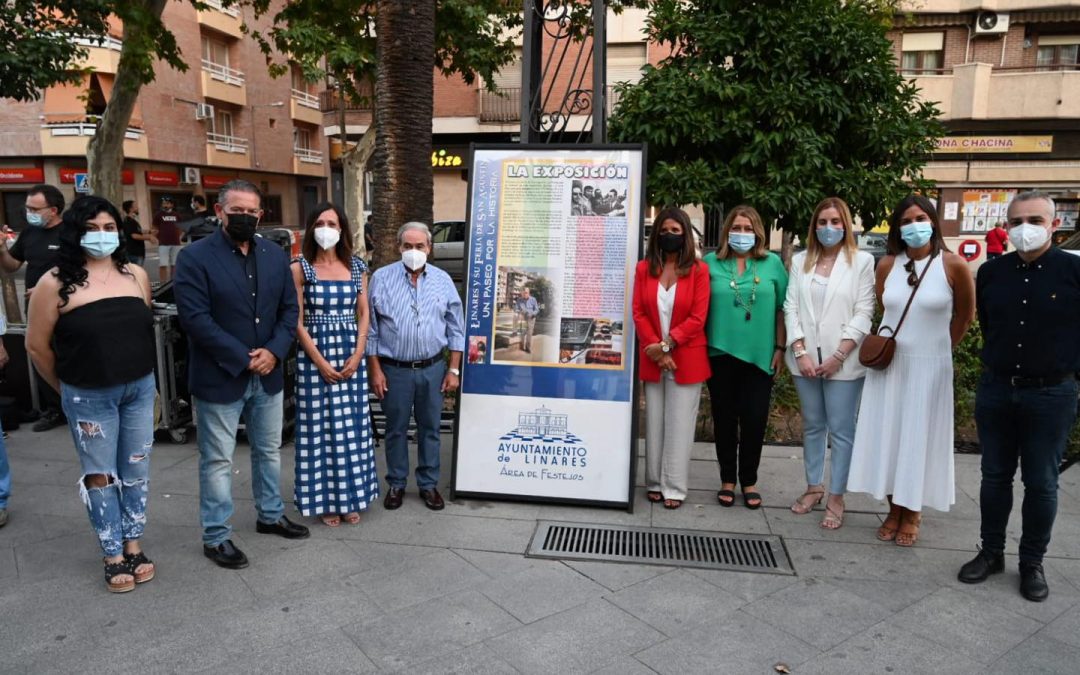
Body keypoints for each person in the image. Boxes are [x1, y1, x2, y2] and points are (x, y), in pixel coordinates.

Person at [25, 195, 157, 592]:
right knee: (101, 476)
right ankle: (113, 554)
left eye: (109, 228)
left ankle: (134, 546)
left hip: (139, 389)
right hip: (88, 396)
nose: (102, 236)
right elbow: (36, 346)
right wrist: (65, 389)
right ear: (75, 232)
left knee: (136, 470)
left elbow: (141, 326)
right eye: (92, 228)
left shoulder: (136, 274)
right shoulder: (53, 284)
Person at [173, 179, 307, 570]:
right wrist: (244, 357)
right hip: (221, 376)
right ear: (219, 211)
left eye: (252, 212)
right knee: (216, 460)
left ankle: (270, 515)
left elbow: (288, 311)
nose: (245, 217)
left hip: (268, 373)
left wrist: (274, 351)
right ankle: (216, 536)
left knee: (268, 451)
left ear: (261, 214)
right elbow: (195, 319)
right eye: (237, 211)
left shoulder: (274, 254)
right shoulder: (195, 257)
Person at [958, 191, 1080, 602]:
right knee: (994, 476)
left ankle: (1032, 562)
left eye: (1034, 220)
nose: (1024, 228)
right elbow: (989, 325)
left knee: (1042, 482)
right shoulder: (992, 273)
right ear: (1006, 227)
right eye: (1016, 221)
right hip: (997, 388)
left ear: (1053, 225)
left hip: (1051, 393)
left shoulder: (1072, 271)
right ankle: (991, 553)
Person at [847, 195, 975, 547]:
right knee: (889, 436)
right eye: (906, 220)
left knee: (919, 438)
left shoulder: (953, 265)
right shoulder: (887, 265)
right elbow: (886, 310)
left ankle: (913, 511)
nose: (913, 226)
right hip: (890, 365)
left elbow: (965, 316)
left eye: (920, 218)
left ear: (933, 222)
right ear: (897, 228)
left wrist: (939, 350)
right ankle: (893, 508)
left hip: (929, 367)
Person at [783, 197, 875, 529]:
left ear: (846, 225)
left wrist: (839, 356)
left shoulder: (862, 261)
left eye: (835, 222)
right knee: (812, 425)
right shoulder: (800, 261)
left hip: (844, 362)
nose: (828, 228)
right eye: (822, 222)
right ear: (814, 227)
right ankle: (813, 487)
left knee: (842, 430)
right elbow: (790, 307)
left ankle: (836, 495)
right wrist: (799, 351)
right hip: (805, 361)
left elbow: (865, 311)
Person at [291, 202, 378, 527]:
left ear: (342, 229)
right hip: (315, 358)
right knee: (319, 430)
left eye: (333, 223)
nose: (327, 228)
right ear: (312, 228)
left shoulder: (356, 267)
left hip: (350, 359)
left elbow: (364, 313)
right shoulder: (300, 267)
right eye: (321, 222)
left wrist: (358, 355)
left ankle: (351, 497)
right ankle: (326, 501)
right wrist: (319, 362)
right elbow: (296, 321)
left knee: (352, 430)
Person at [367, 221, 465, 511]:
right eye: (407, 246)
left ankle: (428, 484)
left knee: (430, 428)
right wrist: (375, 369)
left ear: (429, 248)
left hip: (433, 369)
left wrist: (454, 369)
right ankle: (396, 483)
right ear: (399, 247)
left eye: (419, 246)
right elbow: (371, 329)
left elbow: (455, 328)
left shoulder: (443, 280)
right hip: (393, 369)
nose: (413, 251)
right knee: (395, 429)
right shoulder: (381, 279)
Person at [703, 205, 787, 509]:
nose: (742, 234)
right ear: (727, 232)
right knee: (724, 419)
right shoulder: (710, 263)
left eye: (748, 229)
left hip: (760, 356)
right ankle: (727, 479)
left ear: (758, 233)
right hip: (719, 353)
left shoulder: (772, 264)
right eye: (736, 228)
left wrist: (780, 348)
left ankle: (749, 480)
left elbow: (782, 310)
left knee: (754, 419)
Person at [632, 207, 710, 510]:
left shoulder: (700, 271)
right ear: (656, 235)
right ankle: (654, 481)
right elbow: (639, 311)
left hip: (685, 357)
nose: (669, 235)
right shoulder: (643, 269)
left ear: (686, 235)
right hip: (654, 356)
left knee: (680, 424)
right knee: (654, 421)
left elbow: (697, 317)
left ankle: (674, 487)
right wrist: (656, 347)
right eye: (664, 230)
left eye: (676, 231)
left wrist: (667, 346)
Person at [0, 184, 67, 432]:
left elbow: (85, 270)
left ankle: (74, 403)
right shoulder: (29, 233)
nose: (29, 212)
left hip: (67, 308)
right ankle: (54, 409)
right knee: (39, 353)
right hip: (37, 311)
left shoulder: (70, 233)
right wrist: (2, 249)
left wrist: (50, 289)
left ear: (53, 210)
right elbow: (11, 266)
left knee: (68, 355)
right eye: (27, 208)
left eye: (34, 208)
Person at [151, 196, 182, 282]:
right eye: (164, 203)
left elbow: (180, 227)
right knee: (163, 264)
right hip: (163, 243)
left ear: (172, 204)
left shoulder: (177, 215)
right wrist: (155, 237)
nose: (165, 205)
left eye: (167, 203)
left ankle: (173, 283)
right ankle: (163, 283)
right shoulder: (158, 215)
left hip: (176, 243)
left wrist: (179, 236)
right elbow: (154, 228)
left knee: (174, 264)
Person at [121, 200, 153, 267]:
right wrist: (149, 237)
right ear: (131, 209)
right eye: (135, 206)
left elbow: (137, 231)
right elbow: (134, 235)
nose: (138, 208)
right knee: (136, 275)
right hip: (134, 253)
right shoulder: (129, 221)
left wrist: (149, 231)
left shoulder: (133, 221)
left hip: (137, 253)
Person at [516, 287, 540, 353]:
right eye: (523, 293)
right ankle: (521, 347)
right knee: (522, 333)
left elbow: (537, 309)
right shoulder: (519, 300)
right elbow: (516, 309)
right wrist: (520, 312)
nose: (524, 294)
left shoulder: (533, 299)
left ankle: (528, 348)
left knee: (529, 334)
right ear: (522, 293)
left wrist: (532, 314)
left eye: (526, 293)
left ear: (528, 293)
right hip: (523, 318)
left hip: (531, 319)